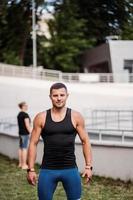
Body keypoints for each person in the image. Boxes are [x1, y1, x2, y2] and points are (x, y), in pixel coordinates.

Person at [27, 82, 93, 200]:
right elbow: (33, 143)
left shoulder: (76, 116)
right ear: (50, 97)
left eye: (62, 95)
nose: (58, 98)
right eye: (55, 95)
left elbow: (85, 141)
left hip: (70, 169)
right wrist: (30, 169)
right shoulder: (41, 117)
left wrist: (88, 166)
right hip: (48, 170)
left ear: (67, 95)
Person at [17, 101, 31, 169]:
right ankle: (24, 165)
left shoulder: (19, 114)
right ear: (23, 106)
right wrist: (31, 133)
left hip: (20, 134)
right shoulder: (25, 115)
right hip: (25, 134)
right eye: (26, 105)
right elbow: (27, 126)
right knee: (24, 148)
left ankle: (20, 164)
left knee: (20, 148)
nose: (27, 106)